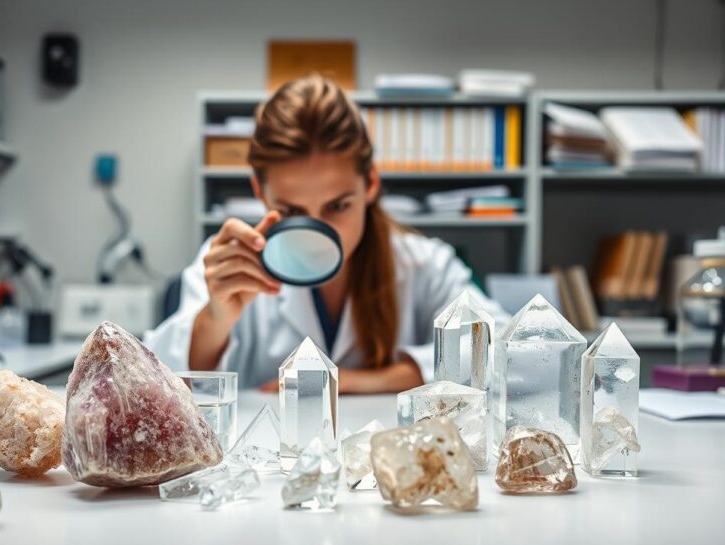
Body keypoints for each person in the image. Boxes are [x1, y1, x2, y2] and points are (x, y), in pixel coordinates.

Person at [144, 74, 507, 393]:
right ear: (259, 193)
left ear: (370, 185)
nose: (317, 233)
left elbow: (504, 351)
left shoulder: (424, 264)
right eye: (291, 212)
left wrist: (365, 380)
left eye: (337, 206)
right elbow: (157, 386)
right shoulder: (229, 263)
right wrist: (215, 319)